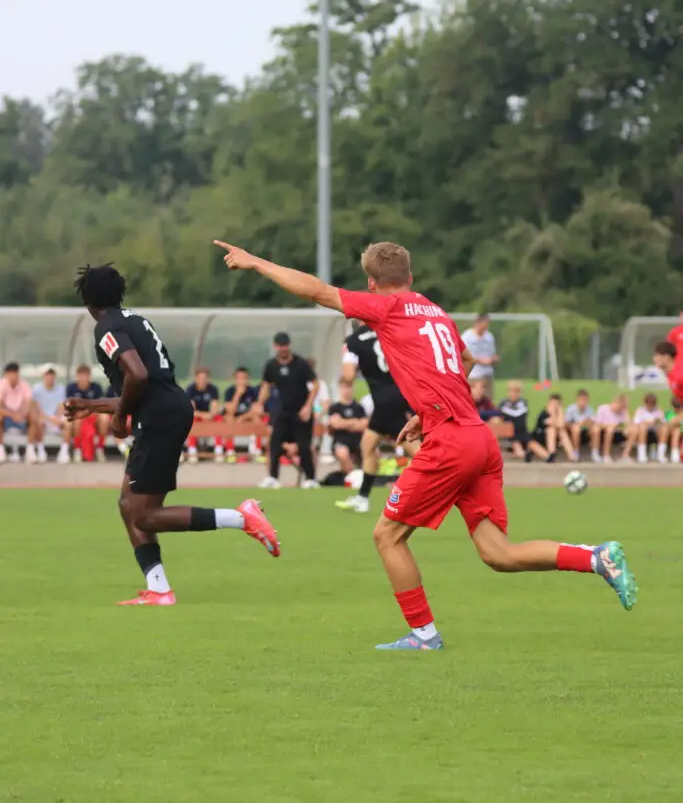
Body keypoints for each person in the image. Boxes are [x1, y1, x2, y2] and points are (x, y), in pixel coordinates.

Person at [214, 238, 637, 649]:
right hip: (478, 438)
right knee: (498, 553)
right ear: (411, 275)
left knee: (387, 536)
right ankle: (596, 557)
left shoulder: (386, 307)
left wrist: (257, 264)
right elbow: (465, 362)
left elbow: (317, 290)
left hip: (451, 442)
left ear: (372, 285)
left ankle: (423, 635)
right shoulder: (436, 312)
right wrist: (427, 411)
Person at [65, 263, 280, 606]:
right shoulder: (133, 319)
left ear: (87, 301)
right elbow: (145, 384)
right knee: (128, 505)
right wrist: (93, 406)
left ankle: (242, 517)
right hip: (165, 409)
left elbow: (137, 375)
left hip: (158, 418)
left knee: (145, 515)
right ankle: (159, 589)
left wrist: (119, 419)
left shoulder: (106, 327)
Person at [336, 320, 417, 514]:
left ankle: (445, 484)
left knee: (416, 451)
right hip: (400, 393)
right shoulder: (389, 331)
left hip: (384, 399)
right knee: (368, 444)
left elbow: (348, 376)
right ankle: (363, 498)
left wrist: (347, 358)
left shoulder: (354, 341)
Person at [257, 332, 319, 489]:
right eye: (280, 346)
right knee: (275, 444)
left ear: (289, 345)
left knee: (304, 445)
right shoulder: (271, 365)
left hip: (301, 412)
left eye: (285, 345)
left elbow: (315, 384)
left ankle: (311, 478)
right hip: (282, 412)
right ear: (275, 346)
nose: (283, 349)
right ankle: (273, 477)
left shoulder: (300, 364)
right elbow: (266, 386)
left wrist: (308, 406)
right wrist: (259, 403)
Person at [65, 364, 107, 463]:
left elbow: (101, 405)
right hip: (79, 416)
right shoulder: (71, 388)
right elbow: (69, 407)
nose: (84, 378)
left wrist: (90, 412)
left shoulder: (96, 387)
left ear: (89, 376)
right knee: (77, 418)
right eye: (81, 375)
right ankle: (77, 449)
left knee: (104, 417)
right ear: (77, 376)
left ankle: (100, 448)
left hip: (93, 415)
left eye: (86, 375)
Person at [498, 381, 549, 462]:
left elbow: (520, 418)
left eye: (516, 391)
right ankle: (525, 455)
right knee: (517, 446)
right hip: (511, 434)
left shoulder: (523, 403)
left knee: (533, 443)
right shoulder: (503, 403)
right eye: (511, 391)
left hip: (522, 433)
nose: (514, 394)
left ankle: (548, 457)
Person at [0, 362, 39, 464]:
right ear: (6, 374)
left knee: (33, 415)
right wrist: (12, 415)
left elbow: (28, 403)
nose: (12, 376)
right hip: (7, 417)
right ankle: (1, 449)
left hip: (22, 416)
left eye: (14, 373)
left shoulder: (24, 385)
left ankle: (30, 449)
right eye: (10, 374)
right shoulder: (2, 385)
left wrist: (22, 414)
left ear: (18, 374)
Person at [328, 379, 369, 474]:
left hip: (358, 440)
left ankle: (367, 479)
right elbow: (335, 425)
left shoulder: (359, 407)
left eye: (349, 387)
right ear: (340, 388)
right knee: (342, 453)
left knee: (373, 451)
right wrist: (355, 422)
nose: (347, 390)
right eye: (344, 387)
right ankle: (350, 478)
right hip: (341, 441)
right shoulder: (334, 407)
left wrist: (343, 422)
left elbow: (364, 425)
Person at [223, 367, 262, 463]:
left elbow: (257, 409)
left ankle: (256, 451)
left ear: (247, 379)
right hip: (234, 417)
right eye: (239, 378)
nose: (241, 381)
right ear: (235, 379)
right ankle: (230, 451)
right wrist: (238, 394)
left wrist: (243, 417)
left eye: (244, 378)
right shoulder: (230, 391)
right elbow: (230, 410)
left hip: (247, 416)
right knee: (229, 418)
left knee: (257, 418)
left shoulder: (252, 391)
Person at [185, 368, 221, 464]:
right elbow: (191, 409)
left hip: (209, 416)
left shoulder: (213, 389)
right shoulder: (190, 389)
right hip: (197, 415)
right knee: (190, 419)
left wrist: (210, 415)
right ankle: (192, 450)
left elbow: (215, 407)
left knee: (219, 419)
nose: (203, 381)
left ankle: (218, 450)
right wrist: (203, 415)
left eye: (205, 378)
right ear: (196, 378)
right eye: (200, 378)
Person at [32, 364, 66, 464]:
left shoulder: (61, 388)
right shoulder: (37, 389)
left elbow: (61, 406)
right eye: (47, 374)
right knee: (38, 420)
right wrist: (50, 419)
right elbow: (36, 409)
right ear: (43, 376)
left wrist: (57, 418)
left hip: (56, 418)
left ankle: (64, 451)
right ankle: (40, 450)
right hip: (44, 419)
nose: (50, 377)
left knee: (68, 422)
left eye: (52, 375)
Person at [622, 393, 667, 464]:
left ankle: (661, 455)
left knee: (664, 429)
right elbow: (636, 423)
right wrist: (648, 422)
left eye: (652, 403)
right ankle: (642, 455)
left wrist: (658, 421)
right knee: (642, 428)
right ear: (645, 402)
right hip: (642, 433)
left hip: (654, 433)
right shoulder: (640, 410)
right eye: (649, 402)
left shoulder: (659, 411)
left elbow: (664, 423)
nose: (651, 404)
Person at [461, 314, 499, 393]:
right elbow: (462, 355)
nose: (485, 326)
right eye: (483, 324)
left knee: (487, 402)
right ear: (476, 323)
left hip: (488, 374)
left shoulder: (489, 336)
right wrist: (482, 361)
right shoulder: (467, 337)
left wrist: (494, 359)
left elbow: (492, 354)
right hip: (474, 375)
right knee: (474, 401)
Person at [533, 394, 575, 462]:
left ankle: (571, 455)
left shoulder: (560, 413)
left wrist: (560, 411)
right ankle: (552, 453)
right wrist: (553, 413)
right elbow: (552, 423)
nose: (554, 406)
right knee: (551, 429)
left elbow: (561, 425)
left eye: (557, 404)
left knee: (562, 431)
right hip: (541, 437)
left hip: (556, 438)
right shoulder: (543, 414)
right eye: (553, 404)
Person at [590, 396, 630, 463]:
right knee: (604, 430)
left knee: (633, 430)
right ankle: (602, 454)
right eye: (621, 407)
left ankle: (625, 454)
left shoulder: (622, 412)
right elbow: (598, 423)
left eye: (623, 408)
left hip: (615, 433)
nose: (621, 409)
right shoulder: (602, 408)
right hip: (602, 431)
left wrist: (626, 412)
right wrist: (609, 425)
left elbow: (629, 424)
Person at [564, 390, 595, 459]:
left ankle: (594, 451)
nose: (583, 402)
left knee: (595, 429)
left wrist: (585, 423)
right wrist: (576, 425)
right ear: (577, 400)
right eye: (582, 400)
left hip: (586, 431)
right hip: (574, 431)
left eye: (586, 400)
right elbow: (566, 423)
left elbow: (593, 421)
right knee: (576, 429)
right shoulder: (571, 409)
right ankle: (576, 451)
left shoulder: (590, 409)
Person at [663, 397, 683, 464]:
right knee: (676, 431)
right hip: (673, 432)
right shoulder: (669, 413)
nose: (677, 408)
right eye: (675, 406)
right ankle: (675, 455)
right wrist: (680, 417)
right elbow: (670, 423)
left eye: (679, 406)